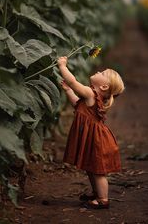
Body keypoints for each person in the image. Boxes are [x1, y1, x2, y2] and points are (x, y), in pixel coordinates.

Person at [57, 56, 125, 209]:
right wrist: (68, 91)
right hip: (93, 139)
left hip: (96, 140)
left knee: (98, 171)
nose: (99, 71)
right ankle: (96, 193)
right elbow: (77, 104)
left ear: (104, 87)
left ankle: (103, 199)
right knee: (91, 168)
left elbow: (73, 82)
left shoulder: (90, 93)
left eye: (103, 73)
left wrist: (62, 66)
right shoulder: (90, 97)